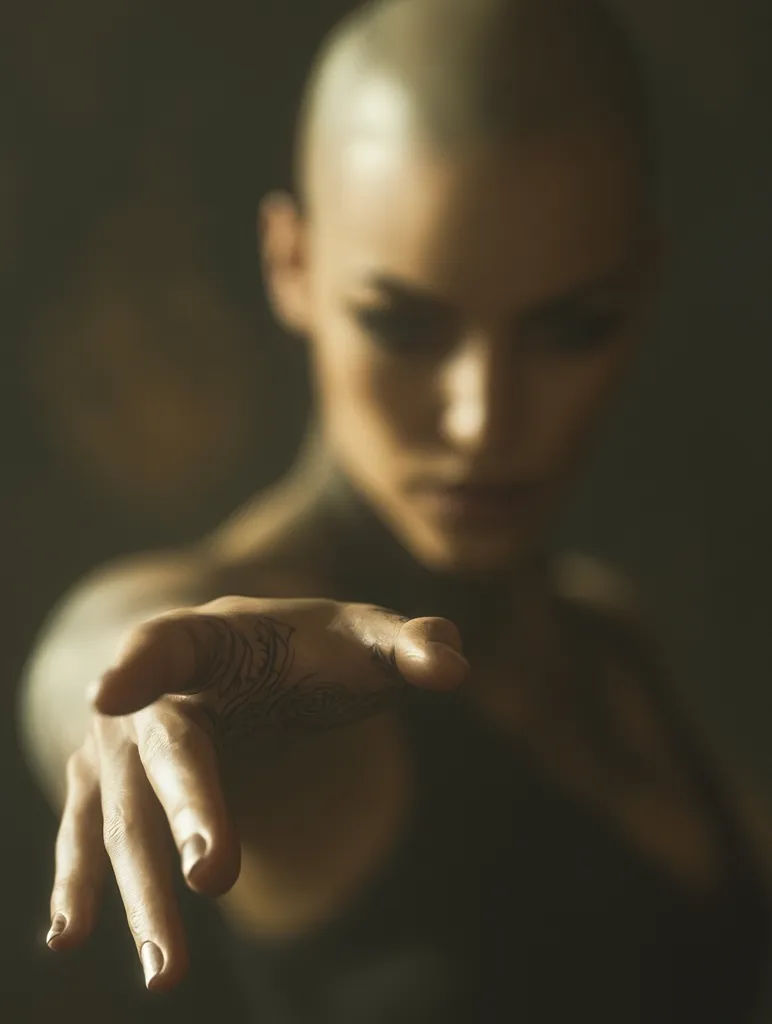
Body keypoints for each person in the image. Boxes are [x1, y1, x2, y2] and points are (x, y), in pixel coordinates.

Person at [18, 0, 772, 1020]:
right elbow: (108, 643)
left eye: (569, 328)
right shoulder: (307, 691)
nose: (480, 418)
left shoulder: (609, 637)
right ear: (292, 264)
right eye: (402, 325)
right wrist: (129, 693)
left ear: (642, 289)